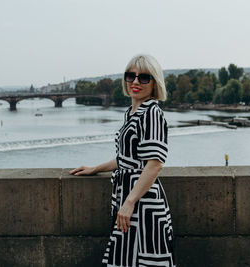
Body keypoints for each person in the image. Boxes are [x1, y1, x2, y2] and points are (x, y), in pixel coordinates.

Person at [70, 54, 176, 266]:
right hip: (130, 197)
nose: (136, 82)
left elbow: (155, 164)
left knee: (144, 259)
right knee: (127, 258)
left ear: (155, 82)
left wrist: (129, 202)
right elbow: (126, 159)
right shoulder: (132, 112)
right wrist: (95, 169)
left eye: (144, 77)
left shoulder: (152, 113)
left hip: (143, 202)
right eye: (131, 76)